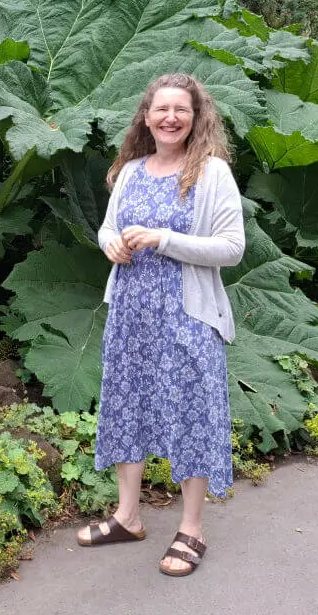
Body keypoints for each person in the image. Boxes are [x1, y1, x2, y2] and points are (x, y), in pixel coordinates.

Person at [76, 73, 245, 578]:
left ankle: (191, 528)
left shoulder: (213, 173)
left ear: (197, 118)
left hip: (187, 318)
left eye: (182, 110)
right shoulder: (130, 170)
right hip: (131, 315)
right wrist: (110, 242)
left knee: (191, 414)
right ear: (146, 117)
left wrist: (164, 238)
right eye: (161, 109)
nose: (170, 117)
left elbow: (232, 249)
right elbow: (109, 225)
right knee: (127, 408)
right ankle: (127, 517)